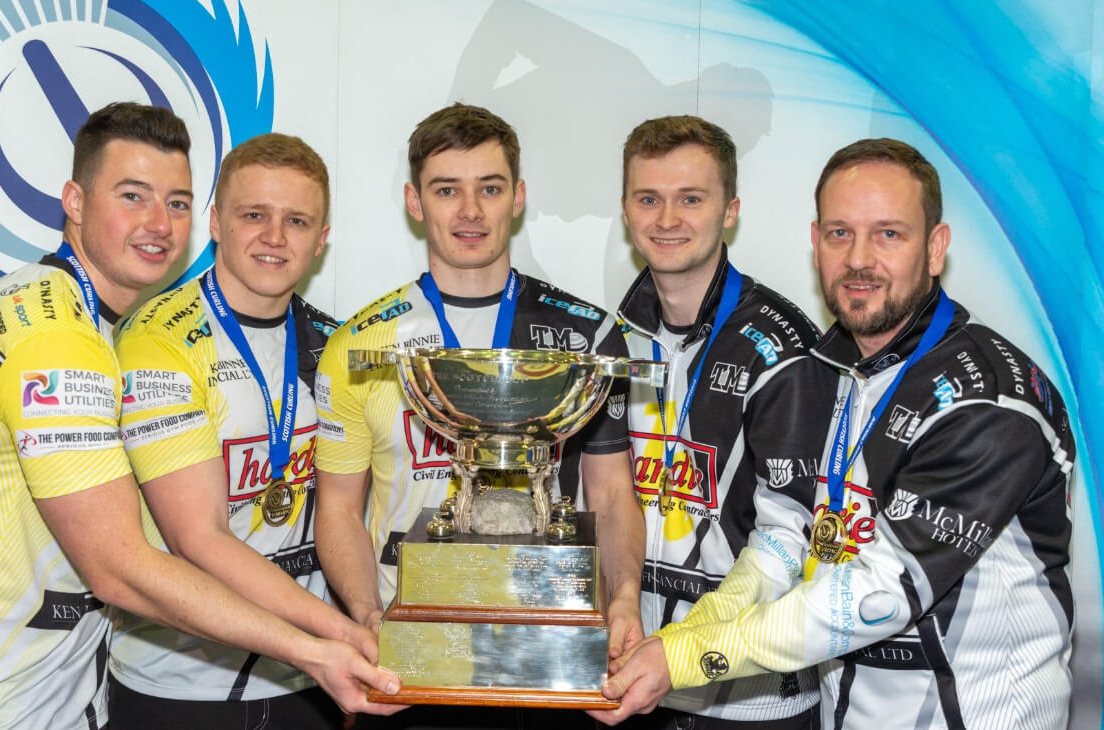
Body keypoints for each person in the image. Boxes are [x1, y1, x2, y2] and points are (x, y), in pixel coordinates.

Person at [0, 103, 398, 729]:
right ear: (75, 200)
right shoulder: (57, 336)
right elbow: (122, 568)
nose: (159, 224)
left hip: (48, 693)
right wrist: (320, 650)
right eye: (133, 196)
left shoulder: (68, 316)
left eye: (176, 203)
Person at [598, 138, 1076, 729]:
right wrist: (683, 634)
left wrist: (686, 656)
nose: (859, 259)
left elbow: (874, 596)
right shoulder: (833, 373)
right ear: (816, 242)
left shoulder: (991, 400)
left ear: (936, 248)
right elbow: (783, 543)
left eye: (889, 234)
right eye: (839, 233)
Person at [313, 103, 641, 727]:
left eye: (489, 188)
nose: (469, 212)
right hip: (410, 662)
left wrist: (624, 596)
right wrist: (367, 615)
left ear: (517, 197)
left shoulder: (587, 336)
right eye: (447, 190)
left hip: (549, 654)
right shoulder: (360, 344)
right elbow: (336, 508)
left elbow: (613, 493)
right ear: (415, 202)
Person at [106, 132, 380, 728]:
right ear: (215, 223)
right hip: (179, 681)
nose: (274, 236)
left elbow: (345, 514)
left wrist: (368, 615)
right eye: (253, 214)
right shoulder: (159, 338)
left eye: (297, 220)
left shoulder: (336, 346)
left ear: (321, 240)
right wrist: (340, 632)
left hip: (307, 680)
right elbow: (196, 539)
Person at [593, 116, 834, 730]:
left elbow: (789, 539)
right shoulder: (612, 335)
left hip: (750, 699)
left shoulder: (782, 347)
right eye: (649, 199)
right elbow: (606, 496)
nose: (667, 220)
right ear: (625, 210)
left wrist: (682, 650)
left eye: (690, 199)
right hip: (629, 675)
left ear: (730, 210)